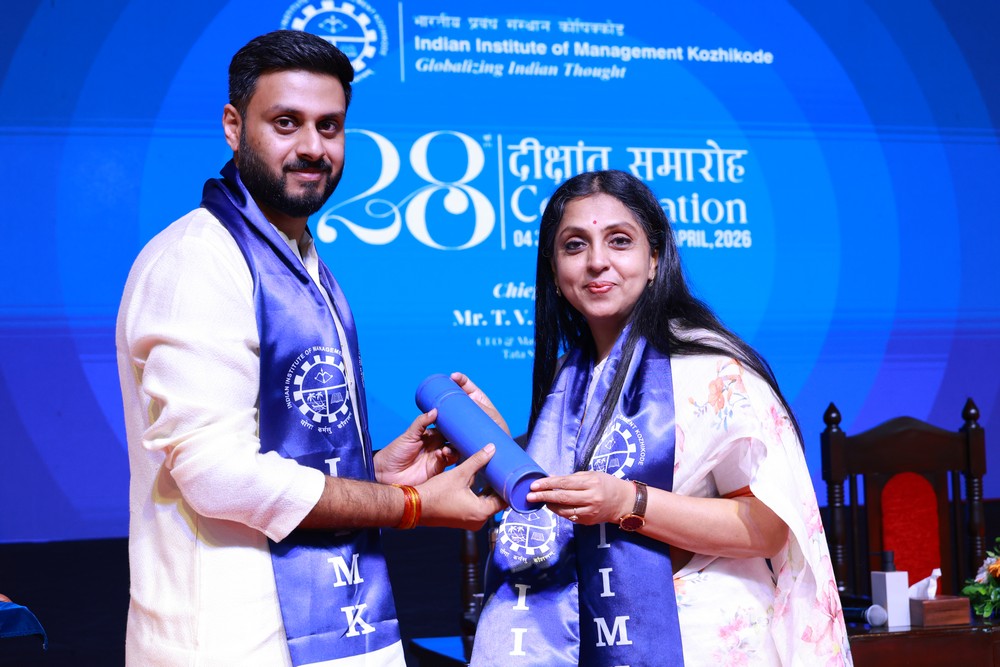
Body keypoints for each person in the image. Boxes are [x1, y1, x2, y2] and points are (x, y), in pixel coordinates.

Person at [115, 30, 505, 667]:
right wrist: (410, 505)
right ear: (234, 127)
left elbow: (278, 448)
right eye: (286, 123)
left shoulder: (301, 263)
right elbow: (218, 475)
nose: (311, 147)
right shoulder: (198, 261)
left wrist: (375, 475)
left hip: (333, 630)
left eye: (329, 126)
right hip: (230, 641)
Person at [471, 170, 851, 666]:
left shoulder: (711, 368)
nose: (597, 261)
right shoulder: (569, 376)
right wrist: (499, 448)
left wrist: (629, 502)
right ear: (554, 270)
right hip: (594, 637)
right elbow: (563, 512)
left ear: (654, 259)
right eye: (574, 245)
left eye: (619, 241)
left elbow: (768, 528)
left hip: (702, 641)